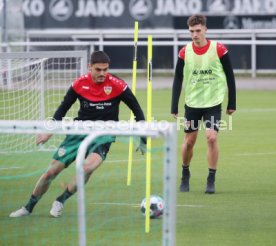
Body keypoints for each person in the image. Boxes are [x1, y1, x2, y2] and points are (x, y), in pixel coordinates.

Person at [10, 51, 146, 218]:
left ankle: (61, 200)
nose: (103, 73)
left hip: (103, 136)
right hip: (78, 132)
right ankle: (28, 208)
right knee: (51, 172)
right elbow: (62, 109)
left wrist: (143, 139)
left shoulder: (118, 85)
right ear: (90, 67)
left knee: (87, 168)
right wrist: (49, 131)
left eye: (106, 69)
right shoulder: (79, 84)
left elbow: (137, 110)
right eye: (98, 69)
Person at [171, 14, 236, 194]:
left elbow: (230, 75)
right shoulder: (185, 52)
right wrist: (174, 105)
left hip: (213, 103)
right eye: (191, 31)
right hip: (192, 104)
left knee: (211, 137)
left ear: (205, 29)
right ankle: (185, 173)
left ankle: (211, 178)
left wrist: (232, 102)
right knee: (189, 142)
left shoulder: (219, 49)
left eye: (198, 31)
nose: (195, 35)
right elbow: (178, 78)